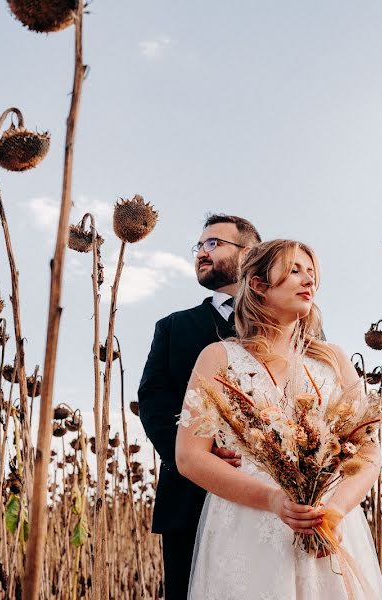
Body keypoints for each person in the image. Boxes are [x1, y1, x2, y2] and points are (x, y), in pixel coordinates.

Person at [176, 239, 382, 599]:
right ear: (258, 285)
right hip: (247, 523)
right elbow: (189, 456)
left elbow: (368, 453)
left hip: (327, 520)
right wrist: (273, 500)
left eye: (311, 273)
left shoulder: (333, 360)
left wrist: (333, 512)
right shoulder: (218, 357)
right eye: (294, 271)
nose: (309, 281)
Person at [138, 214, 261, 600]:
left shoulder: (288, 323)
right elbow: (154, 402)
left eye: (214, 244)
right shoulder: (173, 327)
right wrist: (196, 455)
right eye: (199, 246)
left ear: (250, 256)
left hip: (273, 496)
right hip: (188, 499)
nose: (201, 253)